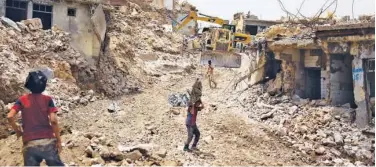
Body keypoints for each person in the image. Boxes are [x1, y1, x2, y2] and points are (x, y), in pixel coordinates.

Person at [7, 70, 64, 166]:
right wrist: (58, 140)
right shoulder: (48, 99)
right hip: (48, 142)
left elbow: (10, 116)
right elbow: (53, 121)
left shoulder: (22, 100)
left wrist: (17, 131)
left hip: (30, 143)